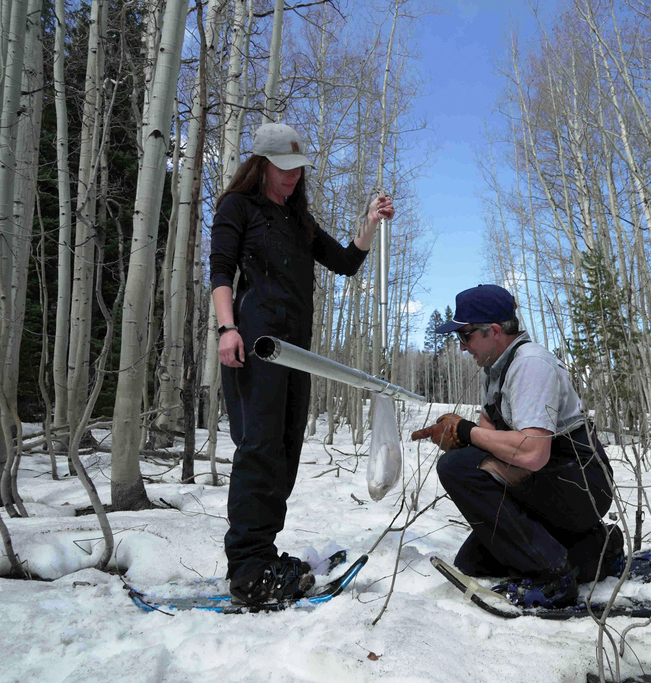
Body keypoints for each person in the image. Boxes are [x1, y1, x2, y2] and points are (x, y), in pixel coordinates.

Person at [210, 123, 394, 606]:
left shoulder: (299, 220)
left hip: (298, 354)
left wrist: (370, 221)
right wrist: (227, 329)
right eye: (284, 169)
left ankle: (264, 552)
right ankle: (248, 568)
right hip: (256, 346)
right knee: (260, 448)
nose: (293, 177)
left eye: (299, 170)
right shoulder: (239, 207)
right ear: (262, 165)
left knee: (288, 450)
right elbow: (220, 271)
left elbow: (348, 261)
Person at [411, 284, 620, 608]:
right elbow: (487, 439)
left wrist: (464, 432)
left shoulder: (530, 364)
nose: (463, 347)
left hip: (581, 483)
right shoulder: (495, 370)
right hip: (550, 481)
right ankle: (595, 551)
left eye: (465, 336)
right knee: (474, 563)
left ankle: (555, 577)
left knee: (456, 469)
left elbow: (534, 453)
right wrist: (455, 440)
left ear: (493, 331)